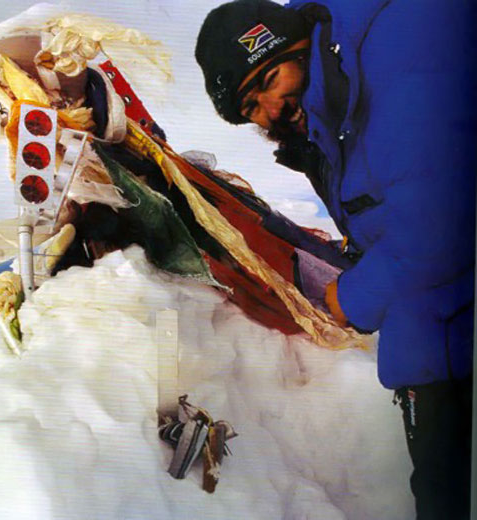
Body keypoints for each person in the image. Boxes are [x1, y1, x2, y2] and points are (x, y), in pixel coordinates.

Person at [195, 0, 476, 518]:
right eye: (249, 108)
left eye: (268, 79)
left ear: (295, 45)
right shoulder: (330, 115)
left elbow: (444, 223)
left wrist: (350, 296)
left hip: (445, 302)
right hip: (433, 322)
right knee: (440, 489)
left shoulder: (396, 50)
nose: (268, 109)